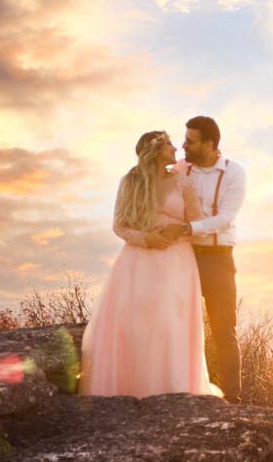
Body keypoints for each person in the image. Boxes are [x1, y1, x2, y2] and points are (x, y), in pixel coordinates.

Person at [79, 130, 222, 399]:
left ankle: (174, 387)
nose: (176, 148)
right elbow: (119, 225)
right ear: (154, 149)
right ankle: (129, 389)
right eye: (169, 144)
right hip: (137, 261)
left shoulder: (182, 183)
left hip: (176, 260)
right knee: (135, 322)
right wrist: (146, 239)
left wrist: (177, 230)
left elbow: (197, 222)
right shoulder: (130, 182)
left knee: (170, 321)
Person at [170, 116, 246, 402]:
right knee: (177, 324)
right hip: (183, 256)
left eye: (190, 141)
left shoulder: (235, 172)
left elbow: (226, 218)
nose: (183, 145)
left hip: (217, 259)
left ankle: (232, 400)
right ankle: (180, 392)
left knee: (223, 329)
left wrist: (190, 228)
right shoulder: (179, 170)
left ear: (209, 144)